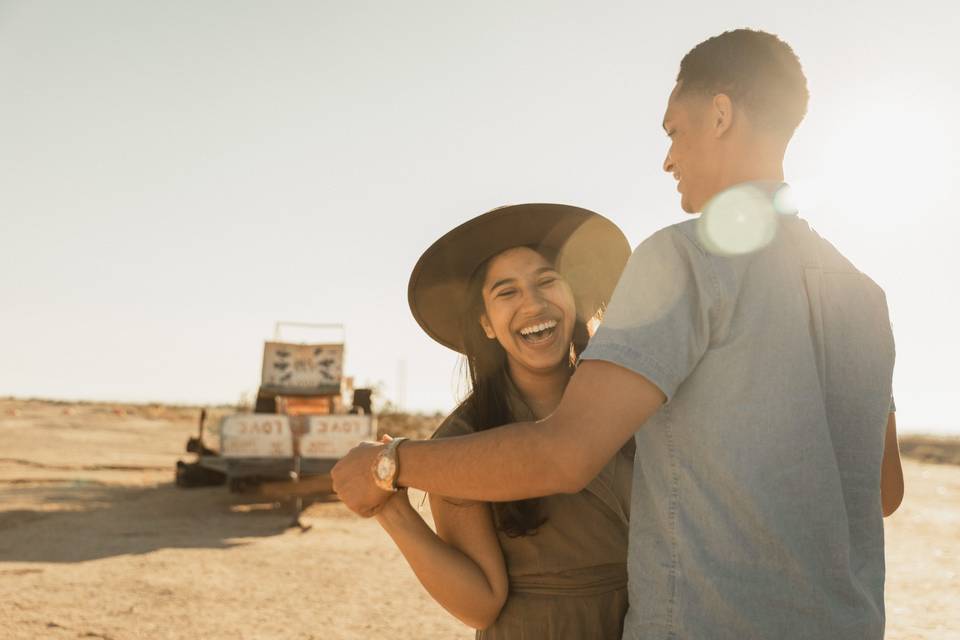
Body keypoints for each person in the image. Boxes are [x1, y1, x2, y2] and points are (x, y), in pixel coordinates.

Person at [334, 29, 905, 640]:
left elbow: (565, 454)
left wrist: (390, 465)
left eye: (673, 130)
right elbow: (883, 490)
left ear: (719, 115)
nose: (668, 158)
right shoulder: (863, 295)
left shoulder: (683, 259)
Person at [373, 203, 634, 638]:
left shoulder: (627, 402)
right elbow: (480, 604)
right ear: (487, 324)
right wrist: (390, 511)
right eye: (507, 292)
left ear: (573, 297)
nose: (533, 304)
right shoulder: (461, 440)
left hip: (644, 622)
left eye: (547, 281)